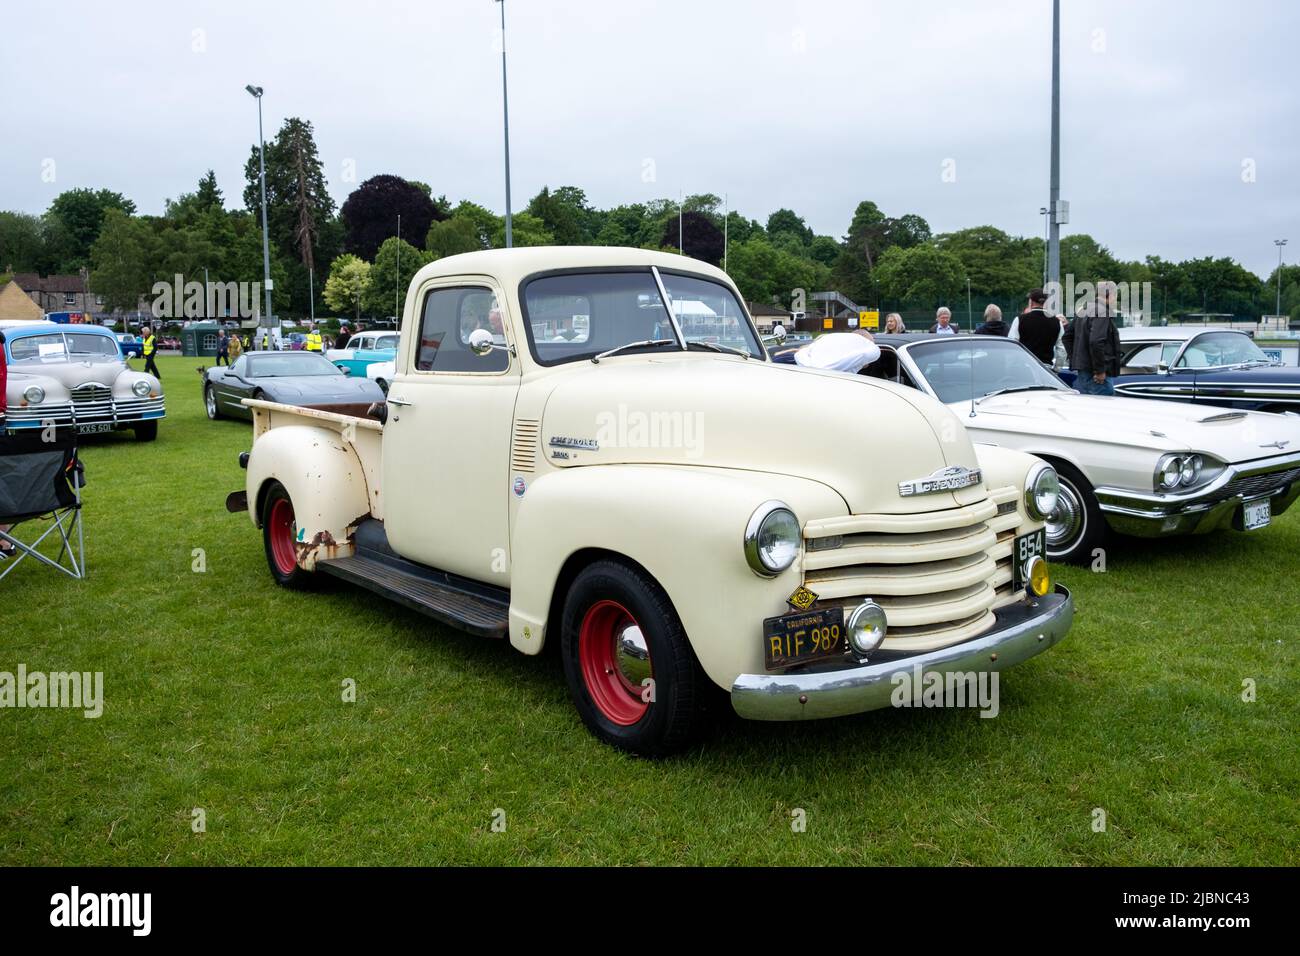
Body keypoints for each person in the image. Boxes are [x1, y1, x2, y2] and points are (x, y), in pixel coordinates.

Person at [1065, 282, 1121, 395]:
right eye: (1115, 296)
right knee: (1105, 410)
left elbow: (1067, 337)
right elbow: (1096, 341)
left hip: (1084, 373)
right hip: (1096, 376)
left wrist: (1078, 361)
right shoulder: (1102, 312)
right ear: (1110, 295)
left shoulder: (1084, 310)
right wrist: (1099, 370)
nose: (1115, 300)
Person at [1008, 288, 1063, 364]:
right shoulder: (1057, 322)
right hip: (1046, 368)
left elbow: (1012, 345)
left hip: (1024, 366)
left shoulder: (1019, 320)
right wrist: (1057, 368)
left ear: (1031, 301)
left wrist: (1012, 365)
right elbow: (1061, 349)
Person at [793, 329, 880, 374]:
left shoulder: (808, 355)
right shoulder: (845, 366)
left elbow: (799, 354)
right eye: (868, 344)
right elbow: (865, 355)